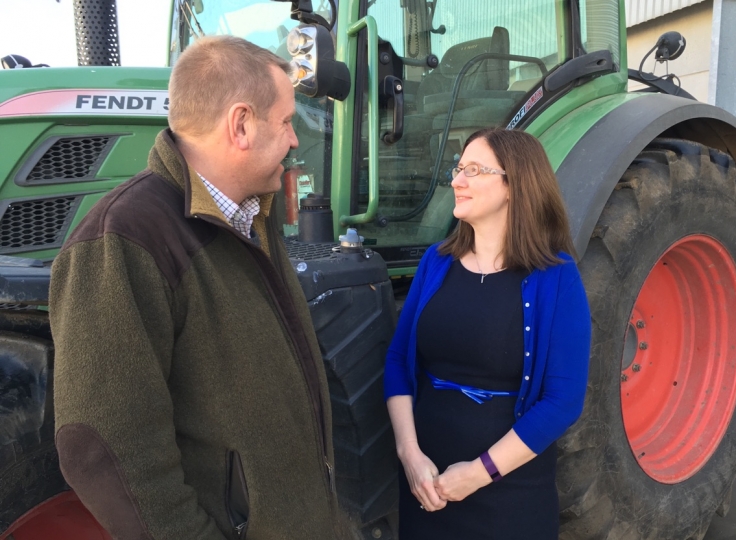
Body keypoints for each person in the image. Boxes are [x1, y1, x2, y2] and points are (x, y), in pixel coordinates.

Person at [50, 36, 340, 540]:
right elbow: (103, 449)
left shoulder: (254, 213)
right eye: (287, 121)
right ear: (241, 124)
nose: (295, 141)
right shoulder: (123, 241)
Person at [384, 128, 591, 539]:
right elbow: (397, 362)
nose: (457, 181)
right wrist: (409, 454)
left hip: (509, 491)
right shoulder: (435, 261)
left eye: (474, 170)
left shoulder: (556, 277)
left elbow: (563, 401)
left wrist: (479, 474)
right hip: (427, 484)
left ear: (515, 185)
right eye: (458, 169)